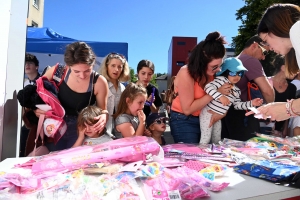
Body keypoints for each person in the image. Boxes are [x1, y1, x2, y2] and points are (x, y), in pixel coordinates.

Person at [36, 41, 109, 151]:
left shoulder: (99, 82)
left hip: (80, 129)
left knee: (73, 161)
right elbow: (38, 92)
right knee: (52, 160)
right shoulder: (57, 72)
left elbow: (102, 110)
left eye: (87, 70)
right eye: (76, 71)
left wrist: (104, 116)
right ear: (67, 66)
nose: (82, 75)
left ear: (93, 64)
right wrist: (36, 109)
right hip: (54, 126)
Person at [170, 31, 231, 144]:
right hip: (183, 119)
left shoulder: (212, 74)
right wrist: (215, 93)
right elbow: (187, 109)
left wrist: (221, 114)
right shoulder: (186, 72)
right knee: (192, 157)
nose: (218, 70)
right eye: (214, 67)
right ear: (203, 61)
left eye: (220, 66)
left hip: (205, 118)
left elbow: (226, 102)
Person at [246, 4, 300, 121]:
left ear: (275, 28)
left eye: (266, 41)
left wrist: (288, 108)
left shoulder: (297, 30)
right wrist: (286, 110)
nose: (269, 48)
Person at [221, 35, 274, 141]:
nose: (264, 57)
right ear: (254, 46)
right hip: (242, 117)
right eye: (264, 52)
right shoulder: (250, 60)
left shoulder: (233, 61)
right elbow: (267, 91)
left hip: (225, 115)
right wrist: (271, 111)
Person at [200, 57, 263, 144]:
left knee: (216, 139)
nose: (237, 76)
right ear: (225, 72)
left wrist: (251, 103)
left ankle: (213, 155)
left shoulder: (237, 90)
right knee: (205, 138)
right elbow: (208, 87)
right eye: (233, 73)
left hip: (218, 116)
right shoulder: (221, 80)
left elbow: (237, 105)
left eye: (240, 73)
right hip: (208, 113)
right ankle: (201, 155)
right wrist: (220, 97)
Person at [261, 56, 296, 137]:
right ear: (283, 68)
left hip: (279, 132)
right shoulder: (266, 83)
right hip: (263, 128)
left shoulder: (292, 88)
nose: (296, 71)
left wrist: (285, 130)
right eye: (293, 67)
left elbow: (289, 111)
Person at [99, 52, 130, 137]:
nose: (116, 70)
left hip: (119, 132)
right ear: (106, 67)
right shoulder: (100, 84)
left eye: (119, 67)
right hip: (103, 131)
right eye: (113, 66)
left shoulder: (123, 88)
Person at [20, 53, 41, 157]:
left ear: (36, 66)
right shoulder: (24, 83)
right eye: (25, 64)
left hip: (41, 123)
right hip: (28, 123)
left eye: (30, 63)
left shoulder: (43, 82)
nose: (27, 65)